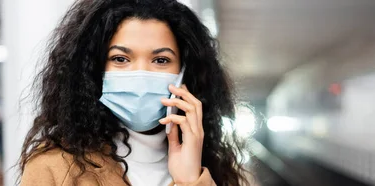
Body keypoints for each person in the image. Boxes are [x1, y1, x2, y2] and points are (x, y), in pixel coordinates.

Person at [19, 0, 248, 186]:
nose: (140, 73)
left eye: (161, 60)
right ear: (95, 69)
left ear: (184, 72)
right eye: (120, 59)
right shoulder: (53, 167)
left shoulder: (215, 171)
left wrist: (190, 181)